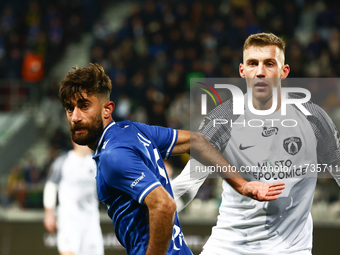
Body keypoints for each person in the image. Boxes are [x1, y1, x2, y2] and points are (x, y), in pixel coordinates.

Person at [58, 63, 285, 255]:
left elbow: (164, 205)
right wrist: (242, 184)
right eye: (70, 109)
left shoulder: (112, 155)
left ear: (107, 109)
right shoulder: (132, 131)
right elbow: (198, 142)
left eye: (84, 106)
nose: (75, 117)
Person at [172, 32, 340, 255]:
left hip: (291, 250)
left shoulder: (313, 119)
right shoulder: (222, 119)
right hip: (229, 247)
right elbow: (187, 185)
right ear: (243, 71)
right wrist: (154, 211)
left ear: (284, 71)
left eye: (269, 64)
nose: (260, 72)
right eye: (253, 63)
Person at [43, 141, 104, 255]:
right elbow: (51, 186)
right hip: (69, 220)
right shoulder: (63, 161)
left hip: (91, 220)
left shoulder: (96, 162)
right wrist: (49, 214)